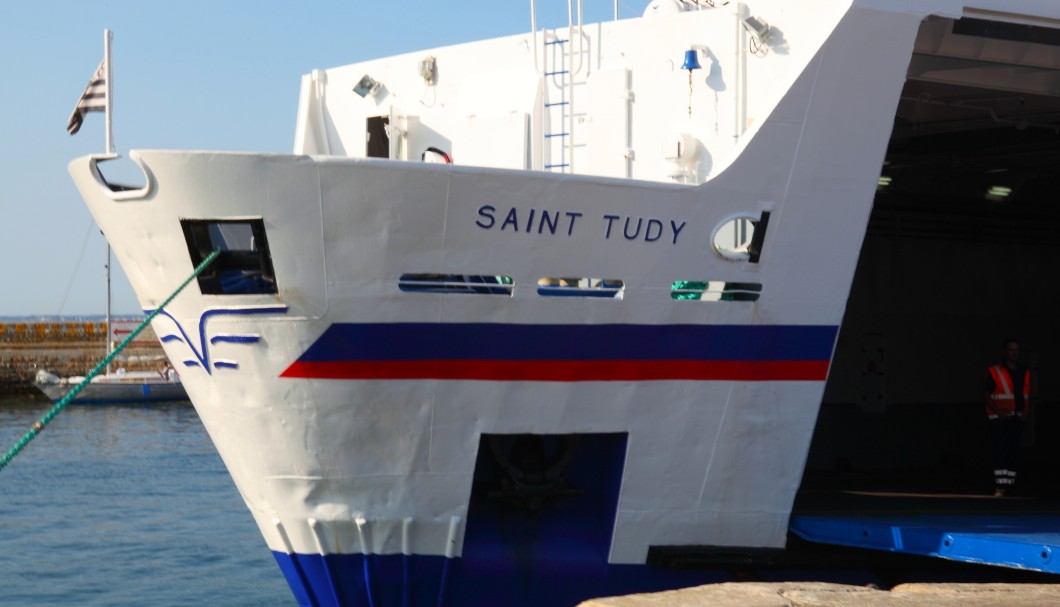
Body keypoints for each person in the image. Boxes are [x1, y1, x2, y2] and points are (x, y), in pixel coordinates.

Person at [983, 338, 1031, 497]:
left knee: (1013, 451)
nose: (1014, 353)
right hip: (1000, 418)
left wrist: (1025, 411)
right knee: (1001, 451)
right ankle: (1000, 485)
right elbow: (987, 395)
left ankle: (1010, 485)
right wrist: (998, 412)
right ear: (1005, 352)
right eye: (1011, 349)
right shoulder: (994, 371)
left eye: (1017, 349)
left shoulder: (1024, 371)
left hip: (1017, 417)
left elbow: (1026, 394)